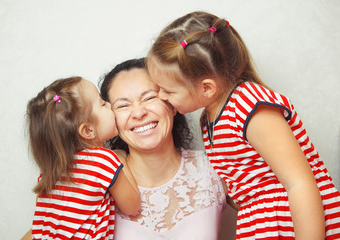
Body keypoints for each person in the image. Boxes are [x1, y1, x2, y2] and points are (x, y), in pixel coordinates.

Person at [146, 11, 340, 240]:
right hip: (262, 225)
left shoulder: (250, 108)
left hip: (299, 225)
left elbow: (299, 184)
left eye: (167, 90)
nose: (160, 96)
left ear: (206, 88)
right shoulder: (208, 121)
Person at [99, 58, 227, 239]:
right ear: (111, 120)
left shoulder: (214, 167)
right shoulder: (99, 186)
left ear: (172, 105)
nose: (138, 113)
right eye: (123, 105)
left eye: (150, 97)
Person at [25, 76, 141, 240]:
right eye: (102, 103)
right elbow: (132, 206)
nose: (109, 105)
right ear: (87, 131)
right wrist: (120, 158)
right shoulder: (103, 161)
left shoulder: (48, 174)